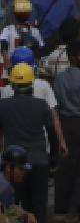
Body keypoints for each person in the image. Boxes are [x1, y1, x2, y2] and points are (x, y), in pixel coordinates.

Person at [0, 64, 63, 223]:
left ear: (12, 85)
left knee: (13, 208)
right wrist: (54, 157)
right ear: (32, 83)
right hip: (39, 162)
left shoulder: (3, 105)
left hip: (13, 166)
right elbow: (52, 133)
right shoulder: (41, 105)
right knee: (38, 207)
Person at [52, 41, 80, 223]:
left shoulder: (59, 78)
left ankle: (65, 205)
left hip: (63, 125)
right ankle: (76, 209)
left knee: (66, 168)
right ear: (72, 58)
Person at [0, 145, 38, 223]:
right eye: (20, 169)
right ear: (8, 167)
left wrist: (25, 214)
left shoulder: (3, 180)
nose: (23, 173)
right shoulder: (5, 188)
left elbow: (9, 207)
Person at [1, 0, 44, 65]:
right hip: (17, 69)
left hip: (22, 69)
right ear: (29, 13)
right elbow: (3, 46)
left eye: (24, 13)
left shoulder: (8, 29)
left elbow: (3, 46)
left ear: (14, 13)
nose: (22, 15)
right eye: (21, 13)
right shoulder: (35, 31)